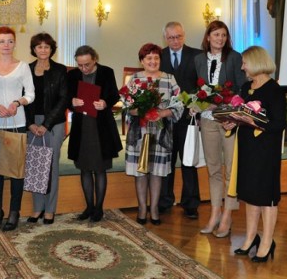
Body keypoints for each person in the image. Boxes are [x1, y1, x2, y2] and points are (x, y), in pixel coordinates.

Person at [222, 45, 285, 263]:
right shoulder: (246, 87)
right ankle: (250, 238)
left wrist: (254, 121)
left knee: (266, 197)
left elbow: (279, 124)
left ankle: (267, 241)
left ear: (256, 62)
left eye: (245, 62)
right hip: (247, 148)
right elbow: (239, 114)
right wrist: (231, 122)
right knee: (250, 194)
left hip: (266, 150)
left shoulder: (274, 90)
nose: (242, 67)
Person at [193, 20, 246, 237]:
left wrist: (227, 108)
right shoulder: (198, 59)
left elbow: (241, 88)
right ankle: (215, 213)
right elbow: (198, 89)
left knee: (231, 170)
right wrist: (197, 104)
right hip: (207, 119)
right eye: (216, 35)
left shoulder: (234, 57)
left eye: (223, 35)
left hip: (229, 120)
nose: (220, 39)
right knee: (213, 169)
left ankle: (227, 216)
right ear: (208, 37)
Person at [0, 26, 35, 231]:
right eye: (2, 41)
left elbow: (31, 94)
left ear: (15, 43)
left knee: (15, 171)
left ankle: (14, 211)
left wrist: (16, 102)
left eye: (10, 41)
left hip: (17, 122)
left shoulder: (22, 67)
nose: (6, 45)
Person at [125, 43, 183, 226]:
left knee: (157, 172)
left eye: (156, 58)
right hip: (140, 132)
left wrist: (163, 113)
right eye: (149, 58)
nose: (153, 61)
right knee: (140, 172)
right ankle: (142, 208)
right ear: (142, 61)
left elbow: (179, 104)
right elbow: (126, 105)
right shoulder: (134, 79)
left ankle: (155, 208)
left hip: (160, 132)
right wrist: (139, 110)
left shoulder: (169, 79)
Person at [67, 45, 122, 222]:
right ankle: (89, 206)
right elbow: (66, 97)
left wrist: (105, 102)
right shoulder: (73, 75)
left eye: (87, 65)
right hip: (82, 127)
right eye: (80, 65)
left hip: (101, 127)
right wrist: (72, 101)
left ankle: (99, 208)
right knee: (84, 168)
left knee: (99, 168)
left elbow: (114, 94)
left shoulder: (106, 72)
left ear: (95, 59)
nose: (84, 69)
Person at [159, 21, 202, 218]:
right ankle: (165, 200)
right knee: (166, 160)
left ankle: (190, 203)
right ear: (165, 39)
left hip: (188, 117)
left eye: (178, 37)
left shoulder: (196, 55)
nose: (175, 41)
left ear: (184, 35)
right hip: (165, 118)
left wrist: (197, 109)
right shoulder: (158, 56)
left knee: (188, 161)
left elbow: (202, 86)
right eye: (171, 38)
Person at [24, 33, 68, 225]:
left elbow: (63, 99)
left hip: (54, 123)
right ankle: (37, 208)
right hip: (32, 123)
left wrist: (46, 124)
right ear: (34, 49)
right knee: (35, 165)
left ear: (52, 50)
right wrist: (30, 124)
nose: (43, 50)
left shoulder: (60, 70)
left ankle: (50, 209)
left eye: (46, 47)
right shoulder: (26, 69)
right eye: (39, 46)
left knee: (51, 166)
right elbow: (23, 99)